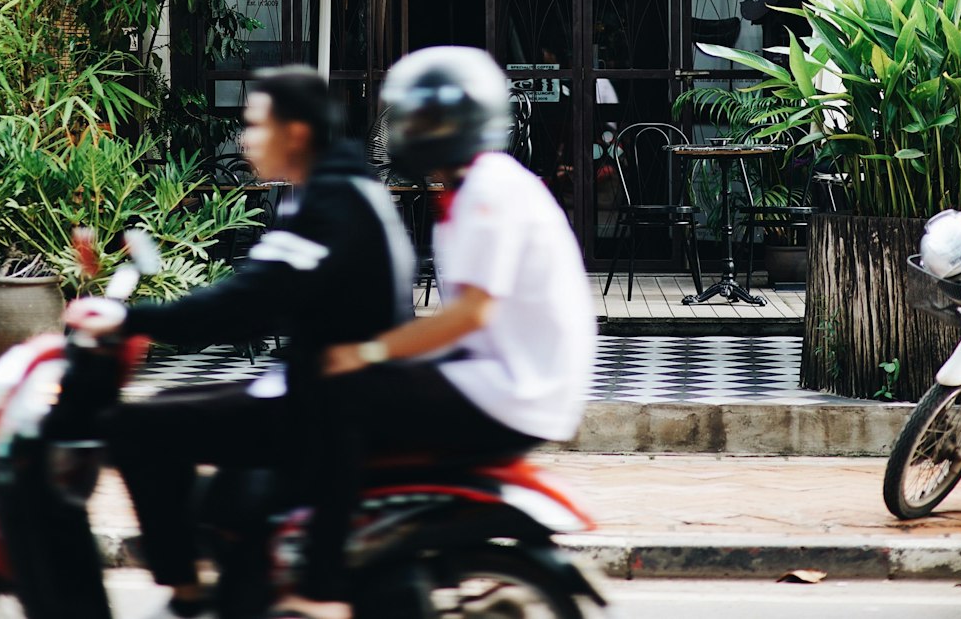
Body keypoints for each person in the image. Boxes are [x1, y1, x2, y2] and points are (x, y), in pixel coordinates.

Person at [65, 66, 415, 619]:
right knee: (210, 474)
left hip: (325, 408)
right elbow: (260, 296)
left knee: (136, 426)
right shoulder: (334, 188)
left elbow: (244, 306)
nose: (244, 139)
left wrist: (130, 320)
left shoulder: (330, 202)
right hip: (320, 390)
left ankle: (185, 592)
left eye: (255, 125)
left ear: (296, 133)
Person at [275, 45, 597, 619]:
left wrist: (366, 350)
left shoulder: (488, 192)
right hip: (498, 373)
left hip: (511, 386)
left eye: (425, 119)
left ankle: (322, 581)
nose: (411, 131)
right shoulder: (474, 185)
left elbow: (468, 315)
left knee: (338, 395)